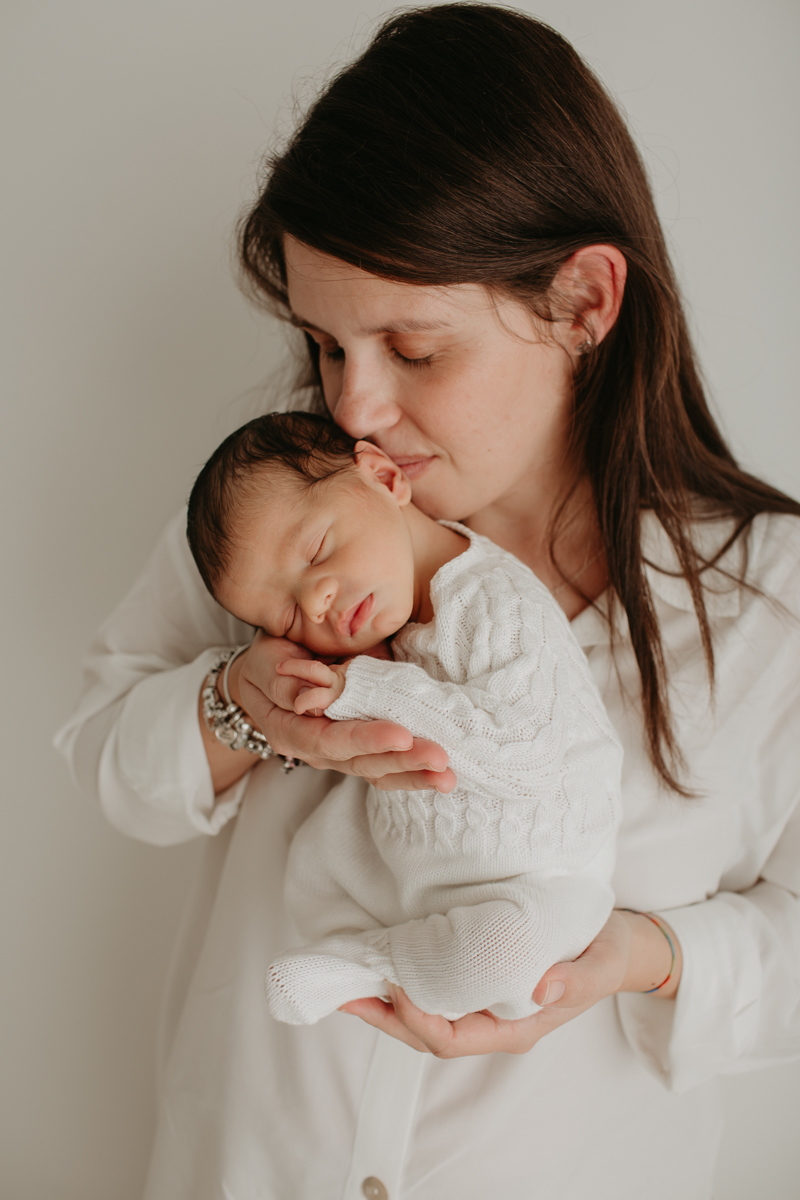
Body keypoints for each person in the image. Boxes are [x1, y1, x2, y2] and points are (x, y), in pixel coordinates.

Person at [55, 6, 800, 1198]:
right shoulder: (281, 519)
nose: (353, 409)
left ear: (583, 303)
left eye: (412, 348)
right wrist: (242, 712)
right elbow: (103, 757)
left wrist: (645, 957)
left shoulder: (769, 604)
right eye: (325, 344)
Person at [185, 409, 622, 1024]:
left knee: (507, 956)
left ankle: (373, 963)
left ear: (384, 478)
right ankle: (357, 945)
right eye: (284, 618)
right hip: (419, 860)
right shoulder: (377, 622)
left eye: (316, 550)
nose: (316, 602)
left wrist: (367, 687)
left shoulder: (493, 603)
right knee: (314, 858)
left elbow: (526, 754)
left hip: (532, 876)